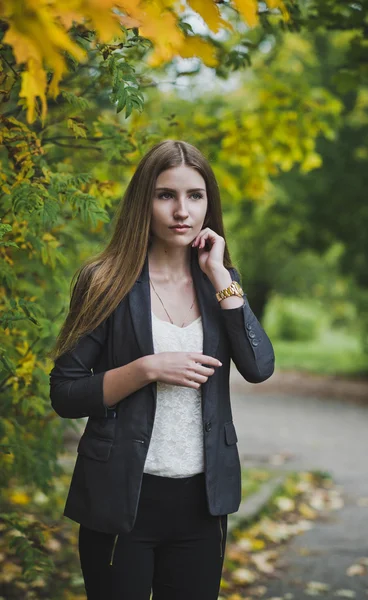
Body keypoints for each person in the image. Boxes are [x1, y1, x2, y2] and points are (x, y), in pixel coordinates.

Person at [49, 139, 275, 600]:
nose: (182, 211)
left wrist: (222, 280)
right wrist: (145, 368)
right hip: (121, 501)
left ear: (208, 204)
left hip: (201, 504)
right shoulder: (105, 281)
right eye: (166, 195)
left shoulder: (220, 284)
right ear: (143, 202)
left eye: (195, 196)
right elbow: (65, 393)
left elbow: (258, 367)